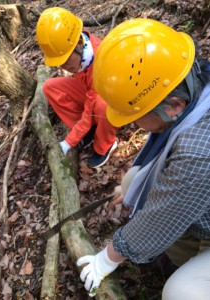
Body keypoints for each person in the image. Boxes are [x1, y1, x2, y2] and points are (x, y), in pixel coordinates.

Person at [76, 18, 210, 299]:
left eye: (137, 117)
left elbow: (161, 218)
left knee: (181, 292)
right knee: (132, 182)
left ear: (174, 106)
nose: (132, 125)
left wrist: (107, 258)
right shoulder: (193, 85)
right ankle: (184, 258)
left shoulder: (198, 152)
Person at [36, 7, 118, 168]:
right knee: (50, 87)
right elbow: (88, 96)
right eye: (61, 63)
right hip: (90, 93)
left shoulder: (99, 60)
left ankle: (105, 144)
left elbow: (92, 103)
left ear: (79, 45)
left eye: (66, 61)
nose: (65, 67)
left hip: (111, 100)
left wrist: (68, 142)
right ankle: (87, 132)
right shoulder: (80, 53)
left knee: (102, 104)